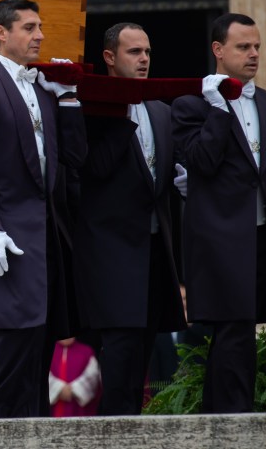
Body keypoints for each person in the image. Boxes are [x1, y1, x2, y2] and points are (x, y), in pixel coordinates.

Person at [0, 0, 87, 418]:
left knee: (39, 348)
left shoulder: (42, 88)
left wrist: (67, 101)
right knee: (13, 348)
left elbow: (71, 160)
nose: (40, 35)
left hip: (45, 237)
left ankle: (33, 433)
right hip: (6, 239)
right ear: (1, 33)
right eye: (29, 27)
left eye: (40, 27)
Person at [170, 12, 266, 413]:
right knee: (235, 330)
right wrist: (218, 110)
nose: (254, 54)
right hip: (220, 240)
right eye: (244, 46)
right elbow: (201, 162)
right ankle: (235, 419)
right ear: (218, 50)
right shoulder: (190, 105)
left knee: (241, 331)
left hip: (264, 236)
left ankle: (222, 416)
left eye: (257, 46)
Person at [74, 22, 186, 415]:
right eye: (133, 53)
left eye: (147, 53)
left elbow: (163, 181)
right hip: (111, 255)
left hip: (156, 251)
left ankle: (133, 429)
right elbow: (96, 169)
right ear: (109, 57)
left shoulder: (160, 109)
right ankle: (113, 434)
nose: (143, 60)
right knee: (120, 355)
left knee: (144, 354)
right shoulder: (93, 109)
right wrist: (121, 109)